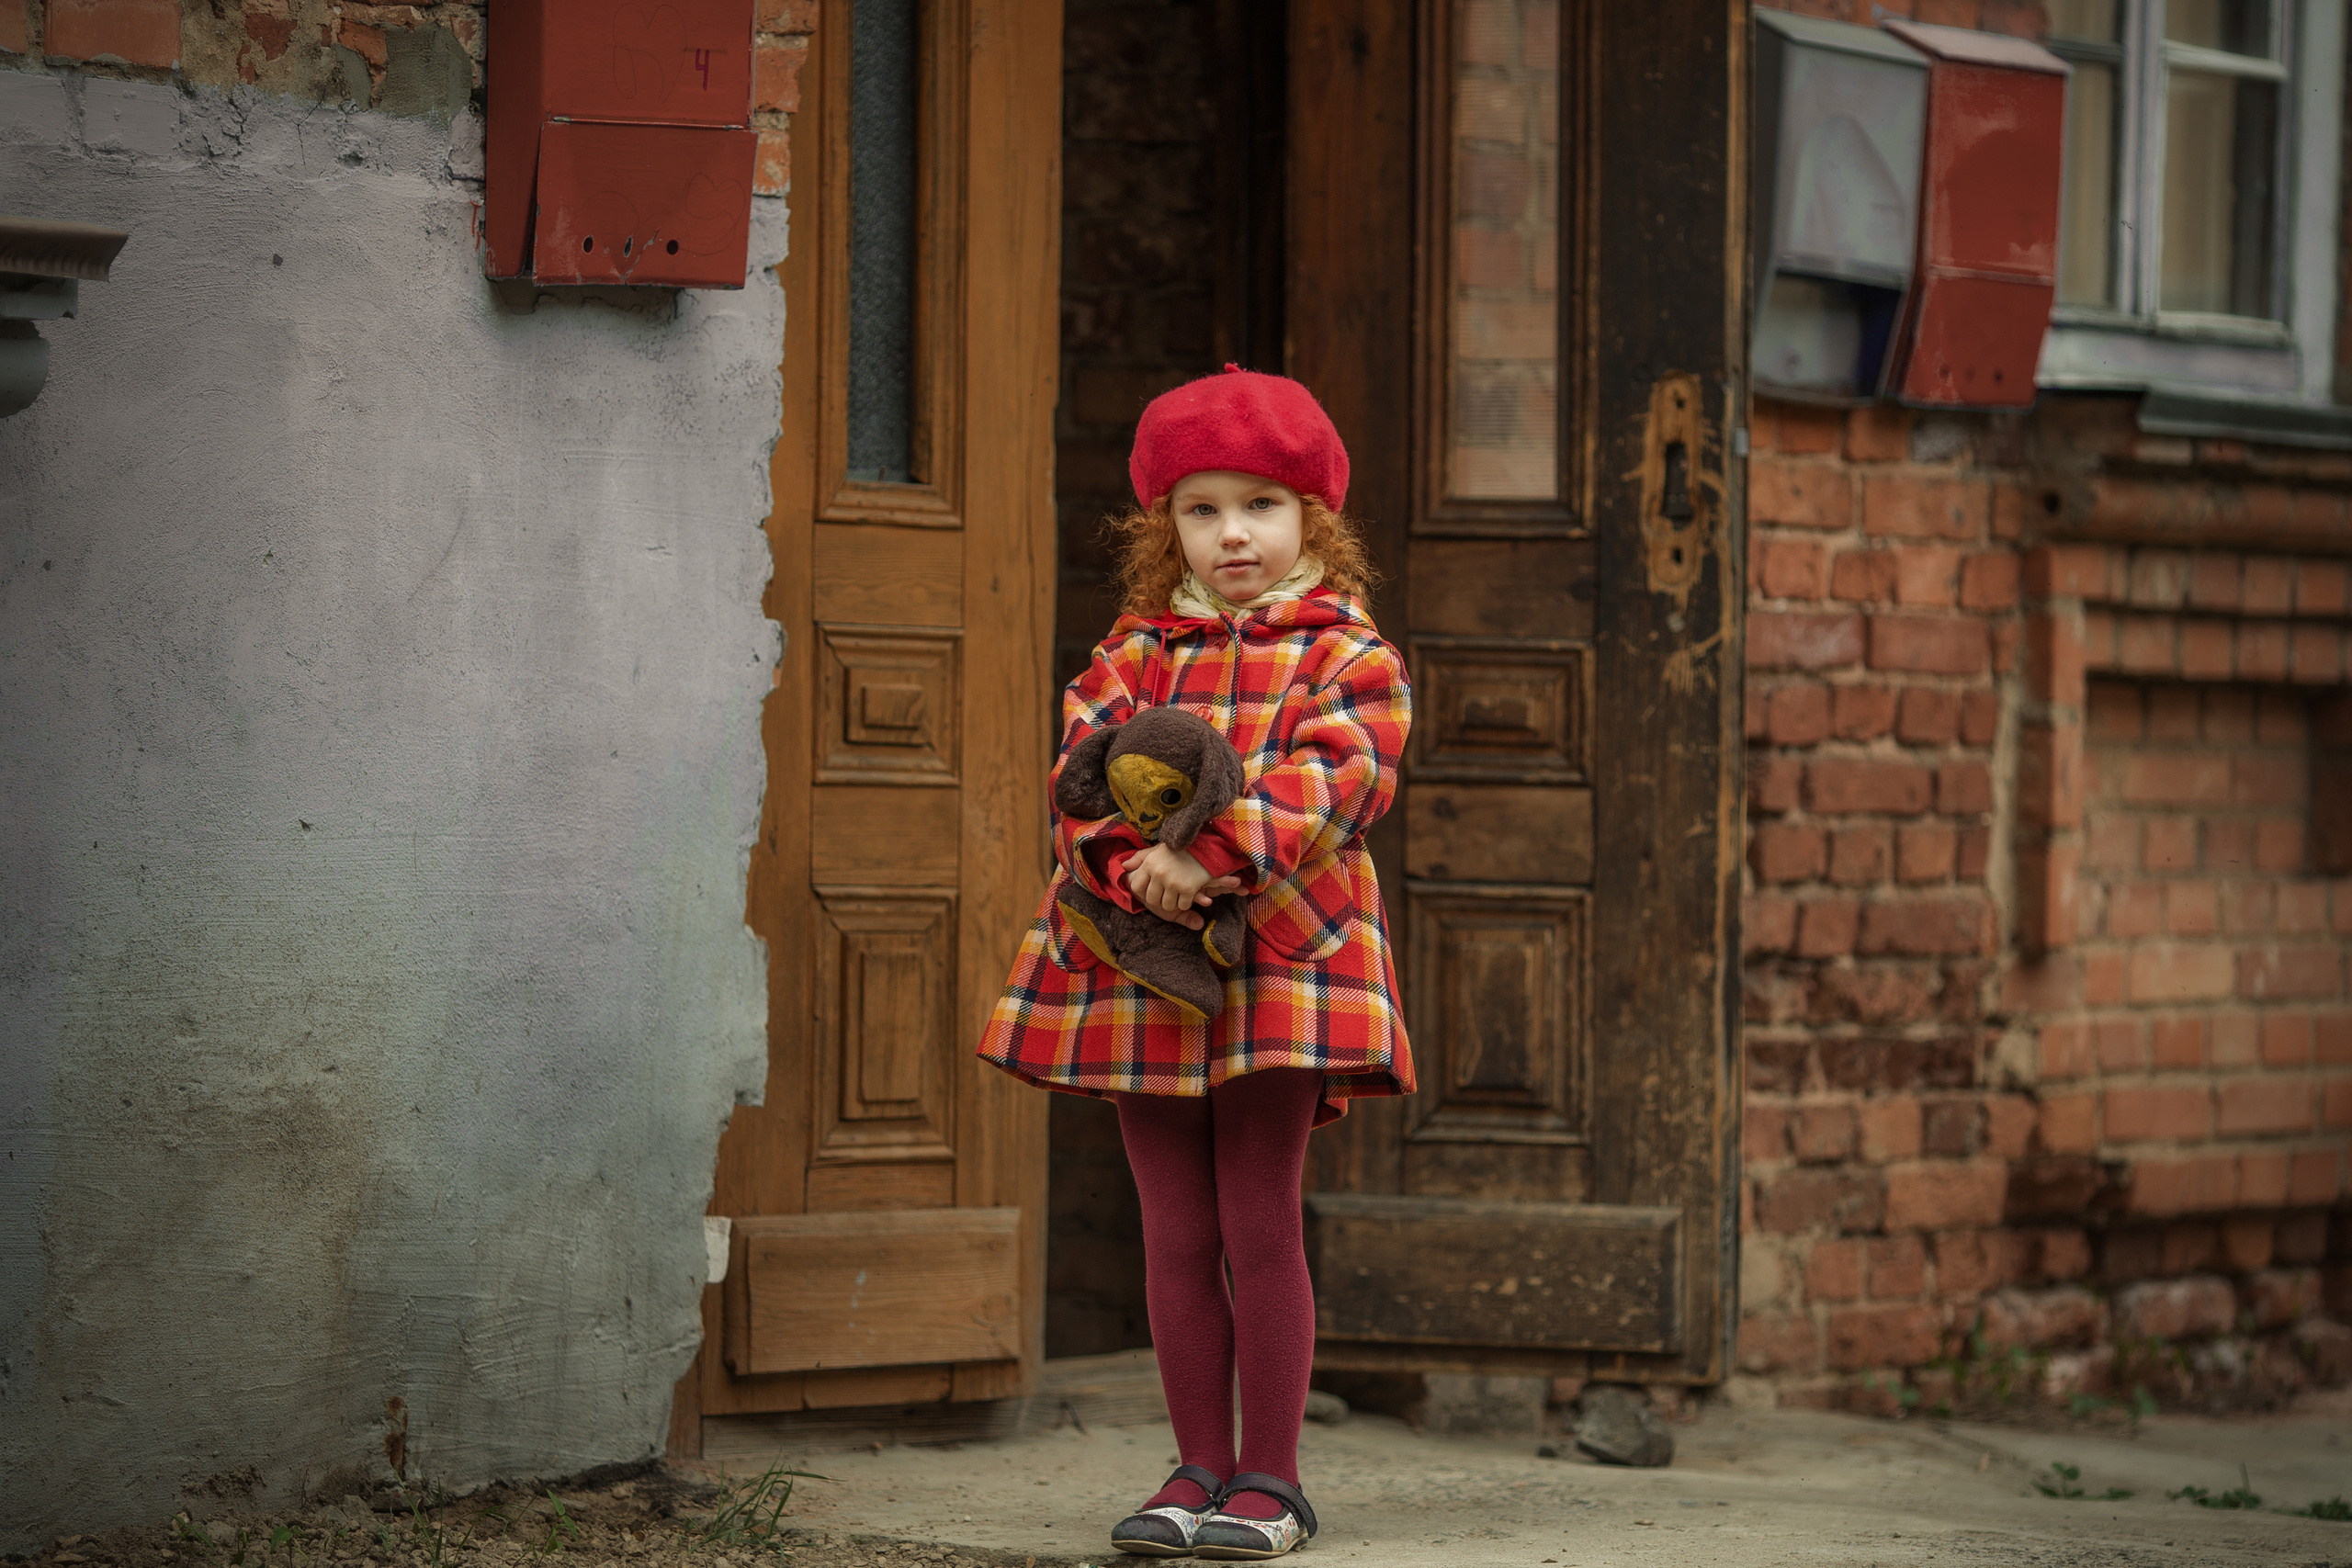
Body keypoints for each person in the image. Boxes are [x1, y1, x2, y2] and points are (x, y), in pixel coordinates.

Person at [978, 366, 1415, 1562]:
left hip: (1284, 955)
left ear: (1312, 519)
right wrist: (1133, 870)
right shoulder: (1133, 653)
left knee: (1257, 1223)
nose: (1233, 534)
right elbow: (1080, 775)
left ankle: (1272, 1479)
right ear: (1163, 525)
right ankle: (1194, 1470)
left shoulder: (1349, 651)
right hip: (1143, 960)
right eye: (1202, 508)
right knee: (1173, 1228)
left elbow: (1339, 776)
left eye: (1262, 506)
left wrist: (1209, 856)